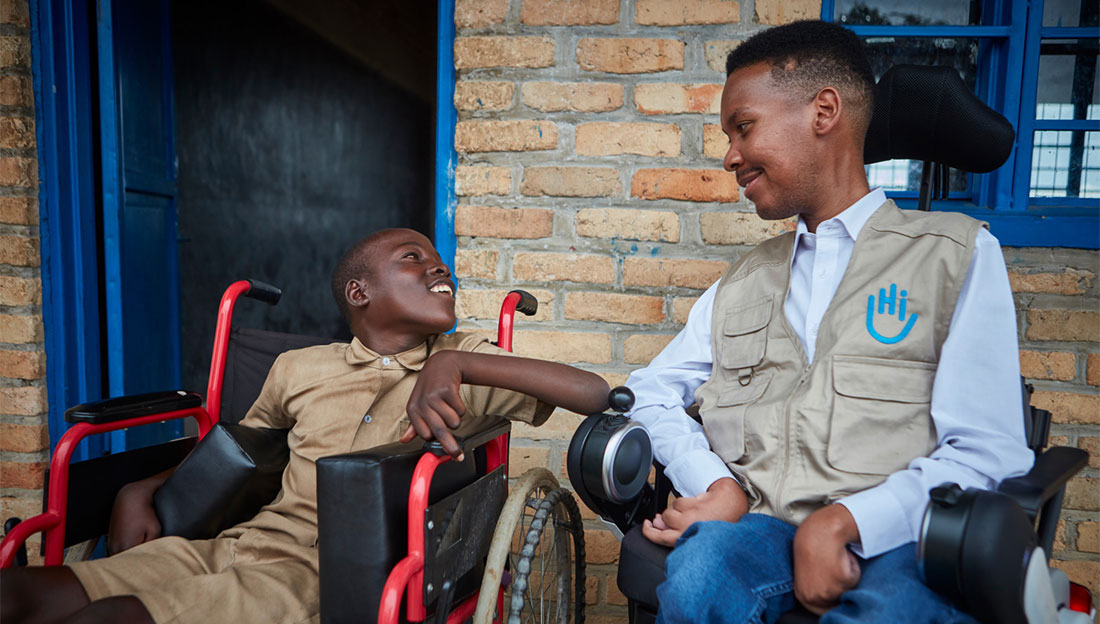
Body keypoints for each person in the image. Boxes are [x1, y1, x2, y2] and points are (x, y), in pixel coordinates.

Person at [625, 20, 1034, 623]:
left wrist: (844, 522)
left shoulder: (955, 254)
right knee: (701, 574)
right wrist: (717, 486)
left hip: (898, 537)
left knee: (895, 611)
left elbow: (986, 451)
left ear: (823, 111)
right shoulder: (743, 280)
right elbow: (648, 395)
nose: (730, 155)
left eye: (744, 127)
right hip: (760, 528)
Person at [1, 228, 611, 624]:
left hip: (324, 577)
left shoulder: (464, 364)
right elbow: (242, 452)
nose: (437, 266)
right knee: (19, 596)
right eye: (413, 258)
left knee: (106, 621)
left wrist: (455, 360)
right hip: (234, 544)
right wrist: (144, 487)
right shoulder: (298, 369)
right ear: (359, 291)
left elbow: (595, 392)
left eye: (438, 258)